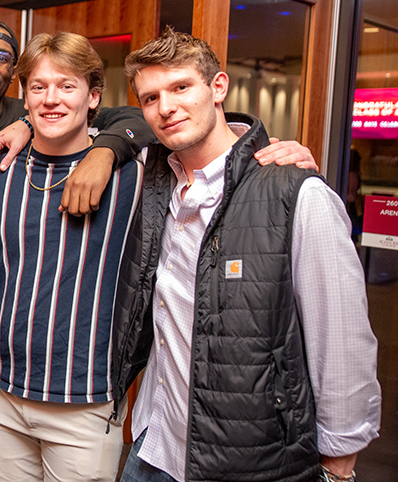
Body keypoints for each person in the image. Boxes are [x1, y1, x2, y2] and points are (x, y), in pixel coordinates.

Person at [112, 27, 381, 482]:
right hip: (154, 445)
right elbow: (71, 115)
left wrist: (339, 460)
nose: (166, 107)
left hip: (247, 460)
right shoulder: (154, 180)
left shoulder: (297, 193)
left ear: (218, 88)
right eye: (150, 97)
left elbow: (341, 338)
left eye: (181, 87)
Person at [0, 31, 146, 482]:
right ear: (23, 96)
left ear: (94, 97)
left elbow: (172, 123)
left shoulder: (134, 177)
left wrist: (106, 150)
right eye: (39, 87)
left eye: (67, 86)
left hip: (84, 403)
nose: (51, 99)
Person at [0, 19, 149, 218]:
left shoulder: (40, 112)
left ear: (13, 72)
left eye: (3, 58)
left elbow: (136, 119)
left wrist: (104, 153)